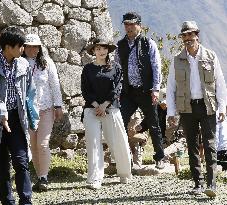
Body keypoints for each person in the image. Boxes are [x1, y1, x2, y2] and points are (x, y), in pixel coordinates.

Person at [166, 21, 226, 197]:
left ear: (197, 35)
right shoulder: (176, 60)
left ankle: (211, 184)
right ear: (182, 38)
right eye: (184, 35)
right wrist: (171, 112)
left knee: (210, 144)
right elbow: (171, 88)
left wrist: (222, 107)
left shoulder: (210, 56)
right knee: (191, 145)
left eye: (190, 34)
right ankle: (197, 183)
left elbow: (220, 83)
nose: (188, 38)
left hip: (207, 106)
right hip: (187, 107)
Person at [0, 27, 34, 205]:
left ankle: (26, 200)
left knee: (21, 160)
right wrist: (1, 115)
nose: (23, 49)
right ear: (9, 46)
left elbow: (30, 93)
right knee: (1, 162)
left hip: (16, 117)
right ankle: (7, 201)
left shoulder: (24, 64)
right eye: (20, 46)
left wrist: (32, 115)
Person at [115, 12, 165, 169]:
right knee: (119, 122)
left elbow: (156, 67)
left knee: (154, 123)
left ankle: (159, 157)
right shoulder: (120, 45)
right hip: (128, 92)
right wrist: (118, 91)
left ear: (139, 26)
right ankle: (123, 158)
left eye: (132, 24)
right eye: (126, 24)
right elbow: (117, 69)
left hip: (146, 90)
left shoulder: (148, 43)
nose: (129, 27)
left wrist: (156, 89)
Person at [81, 38, 132, 189]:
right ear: (93, 51)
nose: (101, 51)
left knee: (119, 140)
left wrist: (104, 105)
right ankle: (95, 178)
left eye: (104, 48)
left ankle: (124, 173)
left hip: (111, 108)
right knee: (93, 144)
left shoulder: (116, 67)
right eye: (98, 49)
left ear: (108, 50)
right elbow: (85, 90)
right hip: (92, 109)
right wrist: (97, 105)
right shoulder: (88, 69)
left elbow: (117, 88)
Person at [23, 34, 63, 191]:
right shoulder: (20, 63)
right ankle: (40, 177)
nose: (33, 49)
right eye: (29, 46)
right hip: (28, 111)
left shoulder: (47, 63)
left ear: (40, 48)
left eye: (35, 46)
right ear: (24, 47)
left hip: (46, 108)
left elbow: (54, 84)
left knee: (43, 143)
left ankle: (44, 177)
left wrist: (58, 105)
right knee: (33, 145)